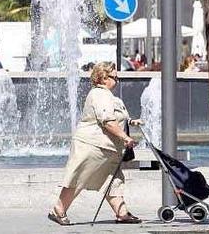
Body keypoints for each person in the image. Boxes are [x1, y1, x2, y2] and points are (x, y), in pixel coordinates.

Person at [48, 61, 143, 226]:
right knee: (78, 178)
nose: (117, 81)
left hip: (108, 149)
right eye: (115, 77)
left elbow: (118, 118)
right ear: (104, 78)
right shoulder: (100, 94)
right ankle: (58, 210)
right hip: (92, 146)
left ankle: (122, 213)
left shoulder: (110, 97)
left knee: (113, 180)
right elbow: (106, 121)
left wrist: (131, 122)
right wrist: (125, 138)